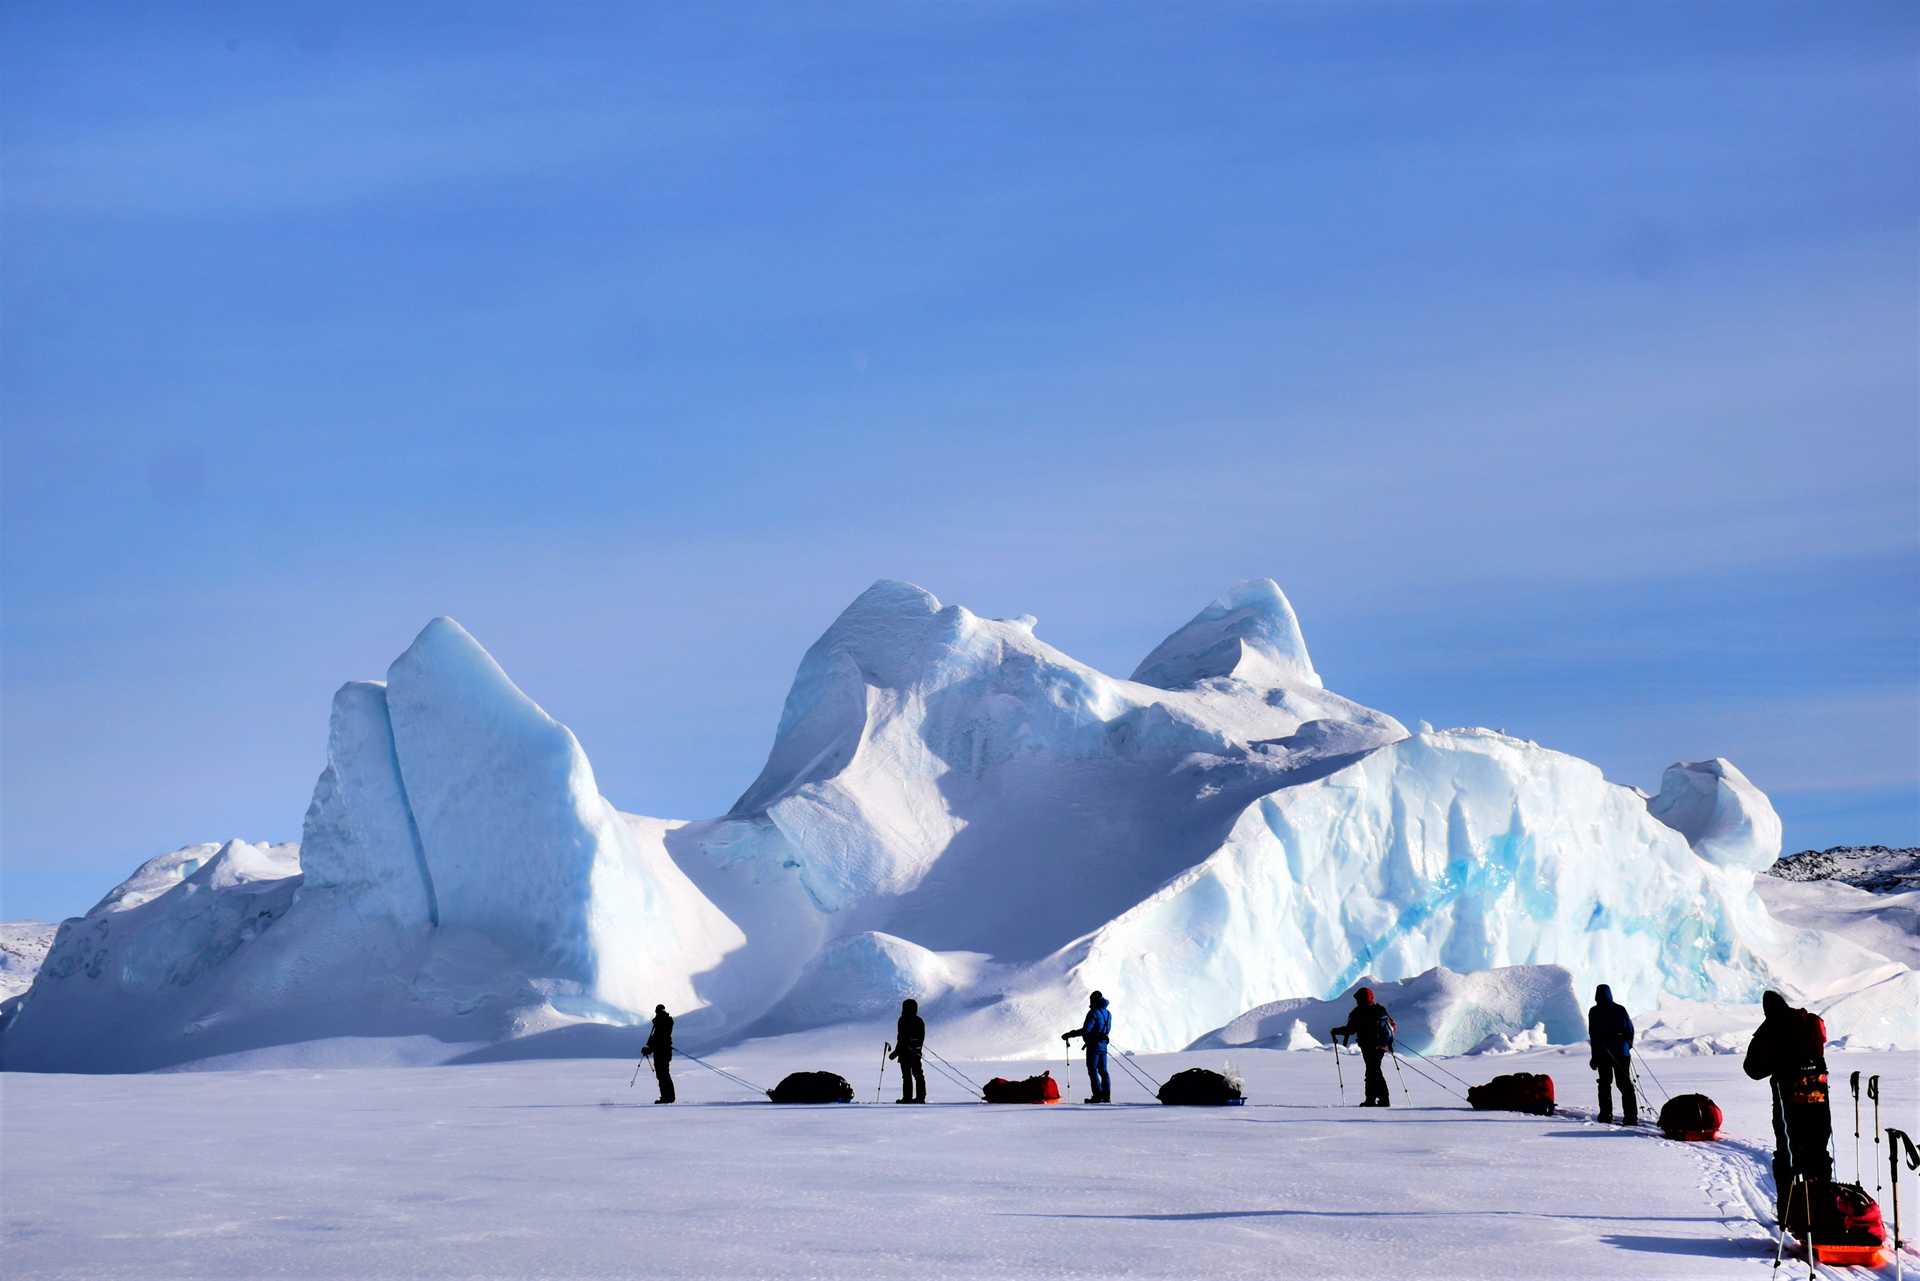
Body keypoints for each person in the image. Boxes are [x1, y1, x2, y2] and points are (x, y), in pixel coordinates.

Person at [1743, 990, 1833, 1222]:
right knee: (1818, 1150)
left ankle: (1788, 1211)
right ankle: (1822, 1209)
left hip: (1788, 1097)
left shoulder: (1771, 1028)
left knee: (1788, 1153)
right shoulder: (1808, 1020)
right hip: (1817, 1093)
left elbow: (1752, 1069)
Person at [1330, 988, 1396, 1107]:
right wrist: (1387, 1043)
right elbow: (1391, 1025)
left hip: (1369, 1046)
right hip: (1382, 1046)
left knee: (1372, 1071)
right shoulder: (1380, 1009)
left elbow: (1350, 1030)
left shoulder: (1358, 1012)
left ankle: (1375, 1099)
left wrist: (1336, 1031)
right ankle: (1378, 1099)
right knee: (1374, 1070)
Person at [1588, 984, 1638, 1126]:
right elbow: (1629, 1029)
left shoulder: (1594, 1012)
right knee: (1624, 1083)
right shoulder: (1619, 1009)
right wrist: (1627, 1045)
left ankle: (1606, 1114)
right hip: (1621, 1052)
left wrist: (1594, 1056)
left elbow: (1594, 1035)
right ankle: (1631, 1116)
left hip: (1603, 1053)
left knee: (1604, 1083)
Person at [1062, 991, 1113, 1103]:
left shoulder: (1093, 1013)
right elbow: (1106, 1030)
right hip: (1103, 1046)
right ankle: (1106, 1095)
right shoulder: (1108, 1013)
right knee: (1103, 1071)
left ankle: (1097, 1096)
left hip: (1093, 1046)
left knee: (1093, 1070)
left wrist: (1070, 1034)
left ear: (1094, 1000)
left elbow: (1086, 1030)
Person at [891, 998, 927, 1104]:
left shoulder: (904, 1020)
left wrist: (897, 1052)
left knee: (912, 1075)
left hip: (910, 1053)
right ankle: (915, 1097)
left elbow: (918, 1038)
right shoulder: (914, 1020)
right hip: (909, 1053)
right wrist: (897, 1052)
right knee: (914, 1075)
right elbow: (901, 1038)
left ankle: (913, 1098)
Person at [641, 1004, 675, 1104]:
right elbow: (658, 1038)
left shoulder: (661, 1022)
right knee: (663, 1074)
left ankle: (667, 1097)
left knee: (662, 1074)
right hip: (664, 1052)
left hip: (661, 1052)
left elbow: (657, 1038)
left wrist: (649, 1049)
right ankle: (668, 1096)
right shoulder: (664, 1021)